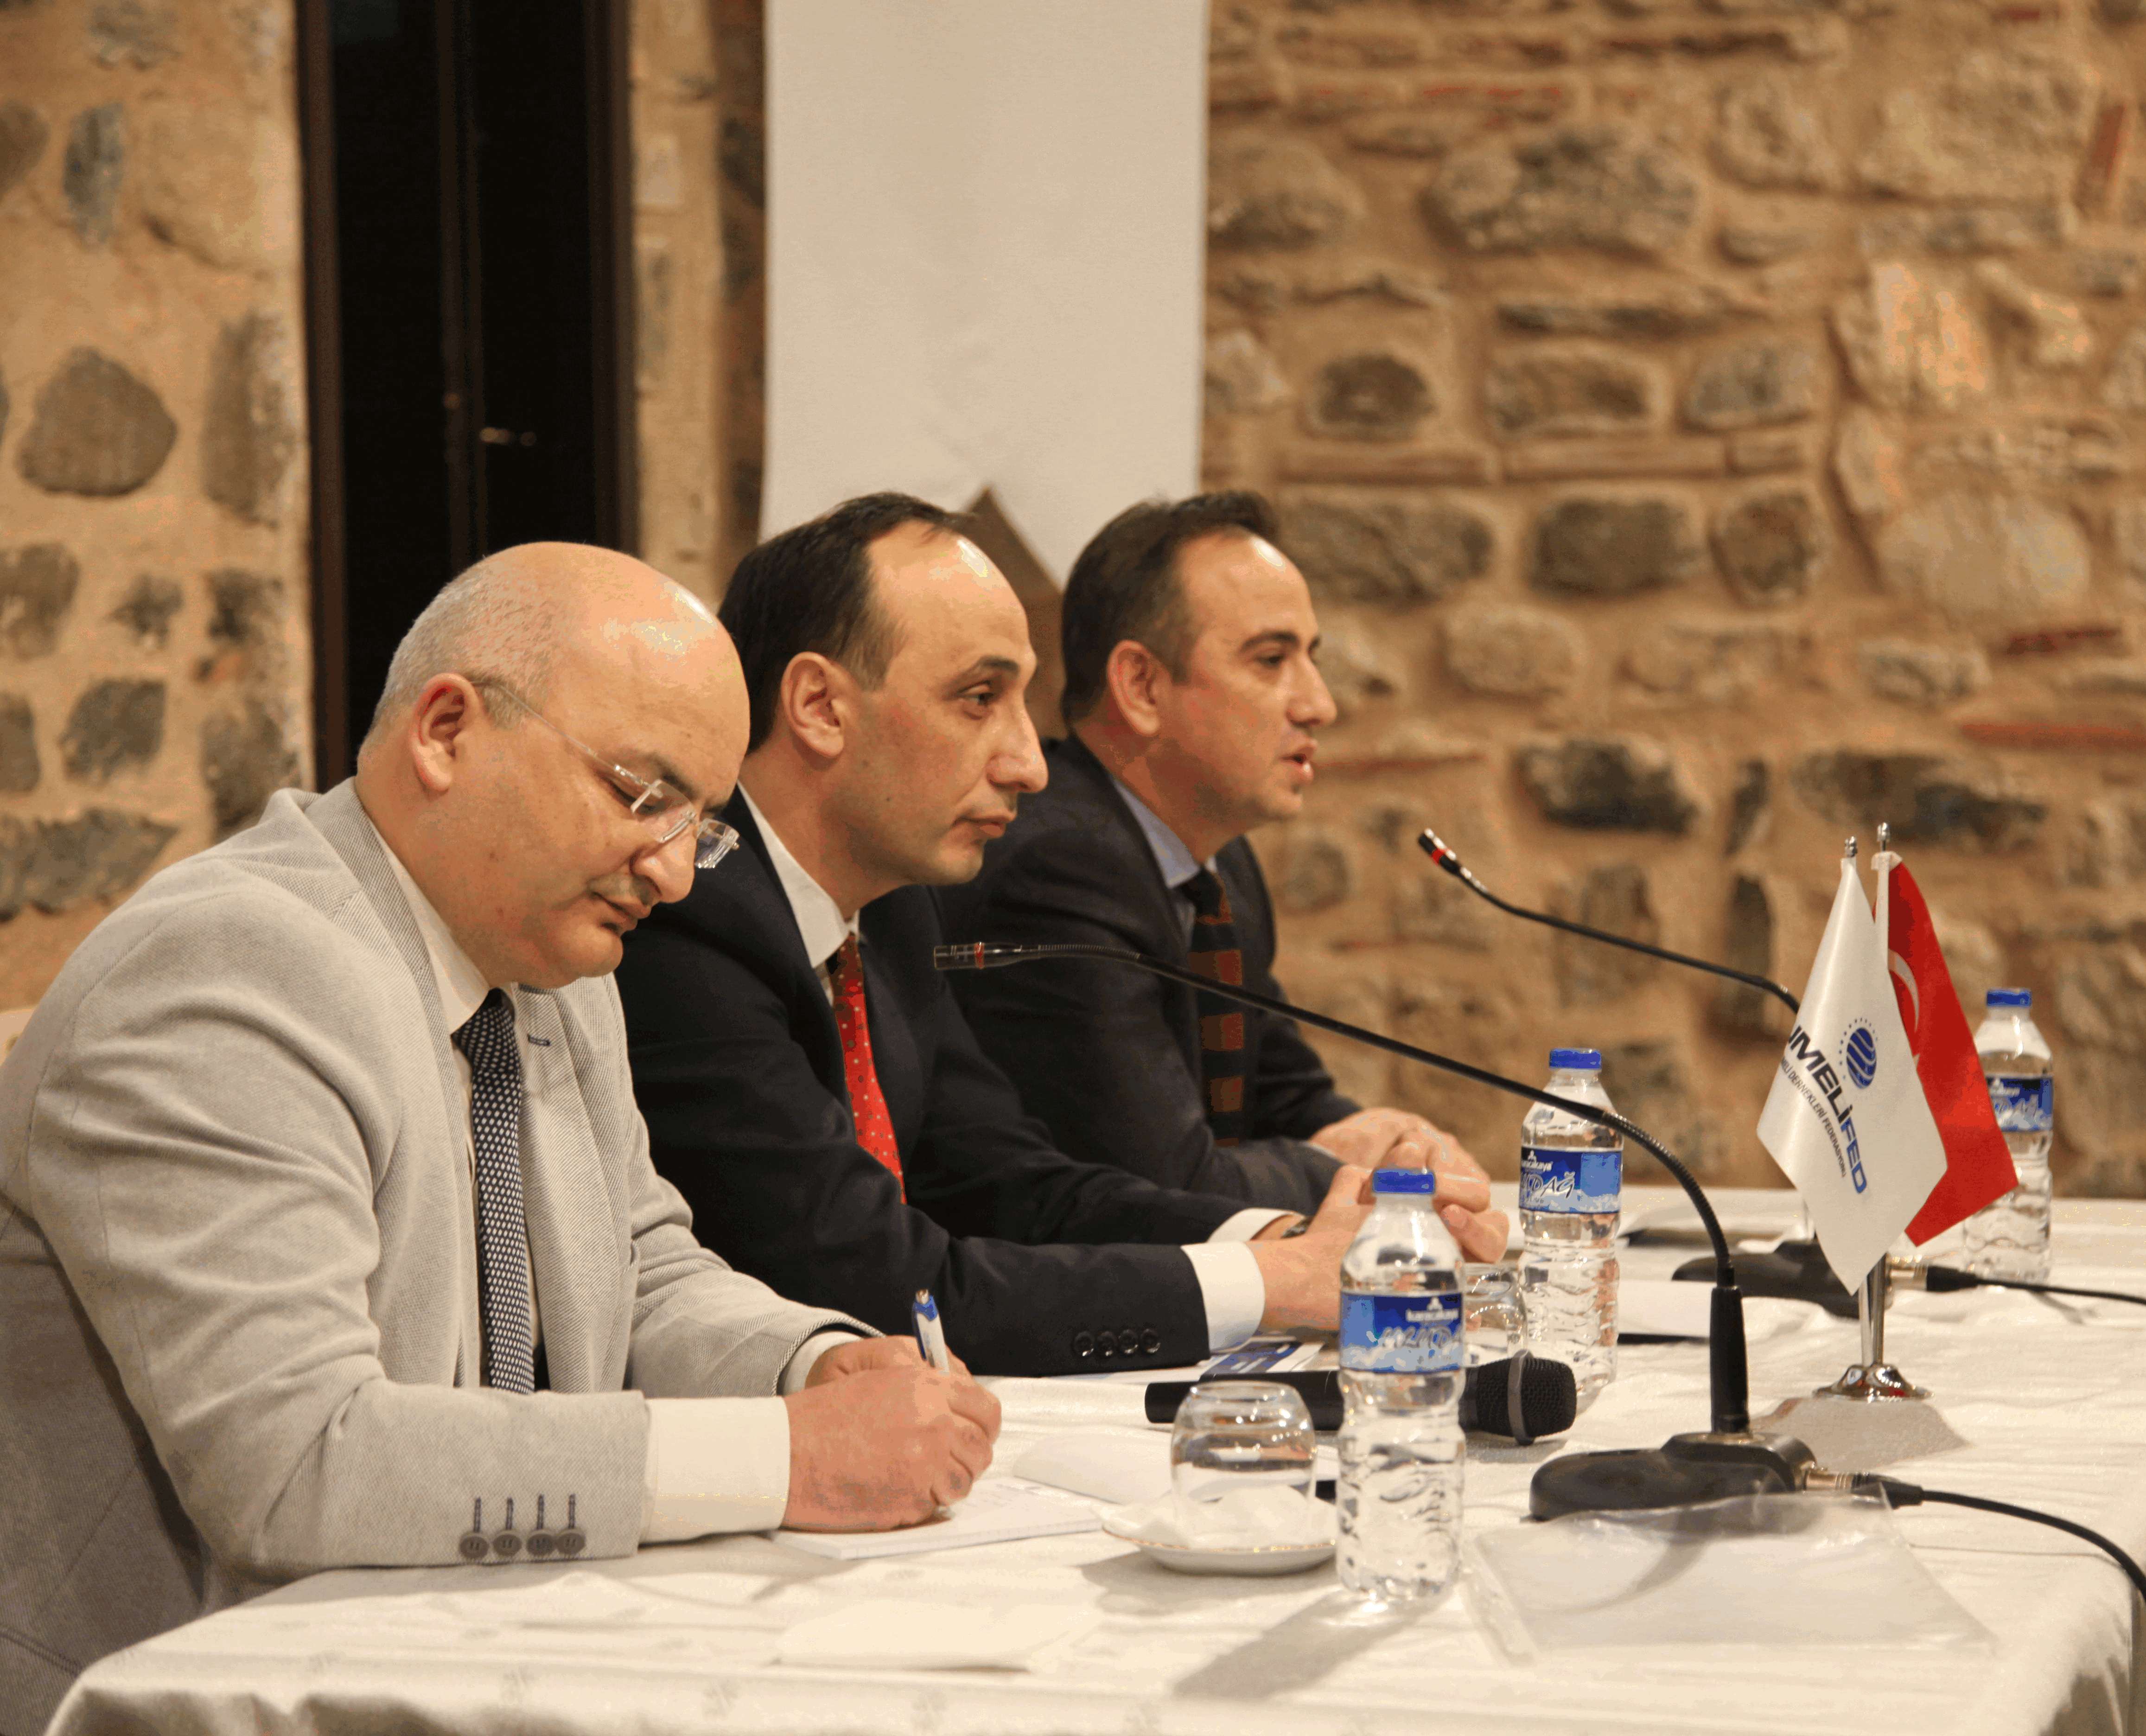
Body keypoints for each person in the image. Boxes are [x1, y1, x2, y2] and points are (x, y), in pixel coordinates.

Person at [0, 546, 999, 1731]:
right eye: (641, 795)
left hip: (445, 1650)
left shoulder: (551, 965)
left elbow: (641, 1270)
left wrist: (811, 1365)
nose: (675, 874)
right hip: (192, 1691)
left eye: (701, 827)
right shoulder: (227, 970)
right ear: (446, 730)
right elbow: (297, 1462)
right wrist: (785, 1455)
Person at [612, 494, 1505, 1377]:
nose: (1030, 763)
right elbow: (886, 1283)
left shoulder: (890, 908)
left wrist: (1287, 1240)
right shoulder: (691, 923)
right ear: (819, 706)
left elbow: (1009, 1184)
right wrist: (1272, 1283)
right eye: (978, 698)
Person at [936, 492, 1481, 1213]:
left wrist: (1402, 1149)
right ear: (1141, 686)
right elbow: (1165, 1182)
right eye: (1271, 660)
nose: (1319, 705)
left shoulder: (1219, 868)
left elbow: (1285, 1096)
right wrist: (1353, 1172)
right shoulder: (1057, 870)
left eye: (1310, 659)